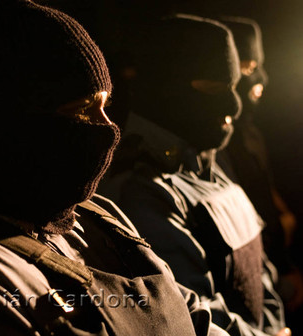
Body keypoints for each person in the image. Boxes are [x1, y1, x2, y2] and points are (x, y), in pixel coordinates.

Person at [0, 2, 229, 335]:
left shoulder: (96, 214)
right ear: (11, 123)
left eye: (104, 106)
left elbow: (187, 311)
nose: (107, 131)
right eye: (81, 110)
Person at [98, 14, 288, 336]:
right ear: (168, 90)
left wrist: (276, 325)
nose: (234, 105)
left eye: (232, 86)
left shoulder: (212, 166)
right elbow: (193, 312)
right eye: (214, 88)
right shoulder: (142, 189)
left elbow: (258, 270)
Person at [215, 17, 303, 315]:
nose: (260, 81)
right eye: (249, 68)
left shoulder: (252, 133)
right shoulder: (217, 142)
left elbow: (263, 189)